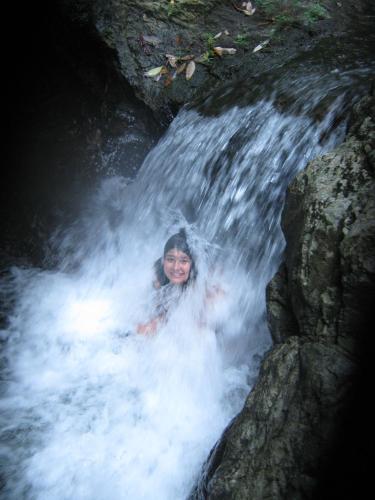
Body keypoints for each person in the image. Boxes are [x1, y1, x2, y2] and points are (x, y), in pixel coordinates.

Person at [136, 229, 196, 335]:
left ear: (191, 264)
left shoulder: (199, 280)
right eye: (170, 259)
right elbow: (156, 310)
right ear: (163, 261)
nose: (176, 267)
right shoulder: (158, 275)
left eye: (183, 261)